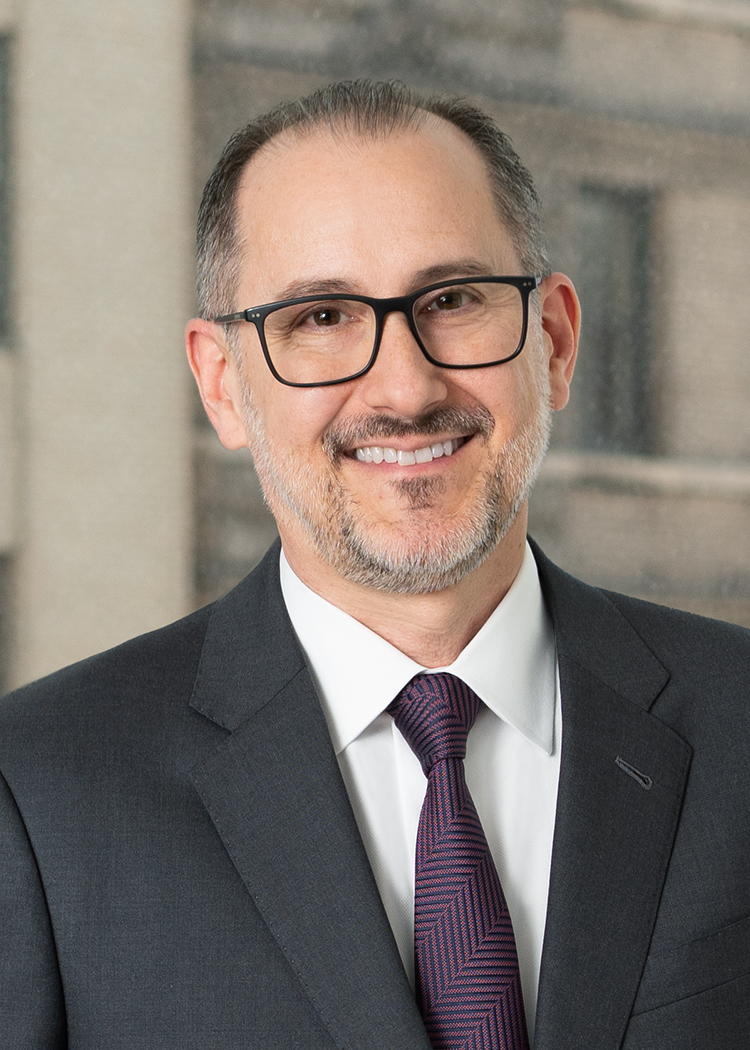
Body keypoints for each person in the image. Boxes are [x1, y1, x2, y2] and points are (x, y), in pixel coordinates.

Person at [1, 80, 748, 1050]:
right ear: (223, 386)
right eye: (320, 317)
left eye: (454, 300)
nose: (404, 387)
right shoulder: (39, 793)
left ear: (556, 343)